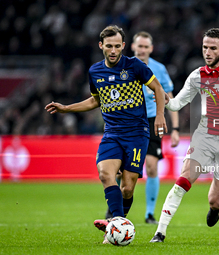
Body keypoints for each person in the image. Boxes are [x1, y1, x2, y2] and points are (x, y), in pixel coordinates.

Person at [44, 25, 167, 243]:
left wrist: (159, 116)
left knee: (127, 189)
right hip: (112, 133)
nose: (112, 50)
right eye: (108, 46)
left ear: (123, 46)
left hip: (137, 133)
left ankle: (116, 224)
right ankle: (117, 225)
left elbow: (158, 88)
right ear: (101, 45)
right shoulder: (95, 71)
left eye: (117, 46)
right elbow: (95, 100)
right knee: (104, 174)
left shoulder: (134, 66)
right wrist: (66, 108)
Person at [150, 28, 219, 242]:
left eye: (213, 48)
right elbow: (176, 104)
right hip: (206, 135)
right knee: (184, 179)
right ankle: (160, 232)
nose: (208, 52)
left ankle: (217, 207)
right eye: (205, 48)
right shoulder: (197, 76)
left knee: (214, 200)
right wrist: (164, 98)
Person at [105, 31, 180, 224]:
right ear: (132, 47)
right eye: (140, 46)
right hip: (127, 121)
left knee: (152, 167)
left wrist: (176, 129)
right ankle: (115, 208)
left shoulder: (159, 69)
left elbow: (171, 99)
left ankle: (149, 214)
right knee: (120, 170)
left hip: (152, 119)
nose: (143, 50)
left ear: (151, 49)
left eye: (146, 47)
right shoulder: (122, 66)